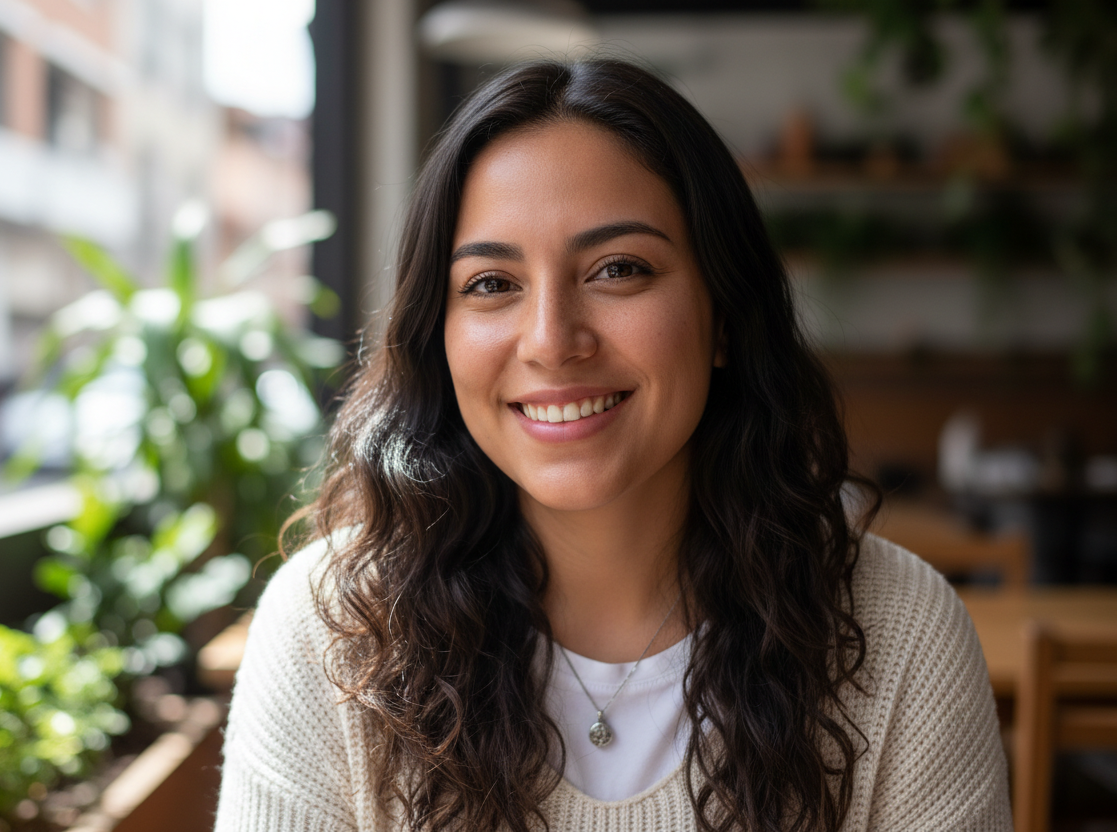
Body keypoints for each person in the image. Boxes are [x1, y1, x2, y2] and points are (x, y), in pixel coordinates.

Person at [214, 58, 1011, 832]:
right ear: (439, 335)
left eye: (619, 269)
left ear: (724, 315)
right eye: (492, 283)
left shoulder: (907, 638)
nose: (552, 340)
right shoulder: (334, 633)